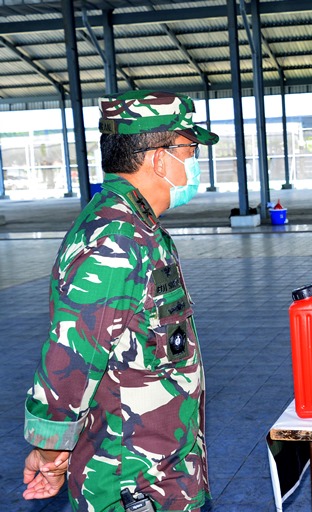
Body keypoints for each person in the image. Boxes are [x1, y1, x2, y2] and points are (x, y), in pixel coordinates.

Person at [22, 90, 219, 512]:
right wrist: (49, 449)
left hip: (161, 468)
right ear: (160, 159)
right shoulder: (117, 239)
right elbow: (71, 355)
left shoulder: (139, 227)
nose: (195, 161)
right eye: (190, 149)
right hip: (132, 481)